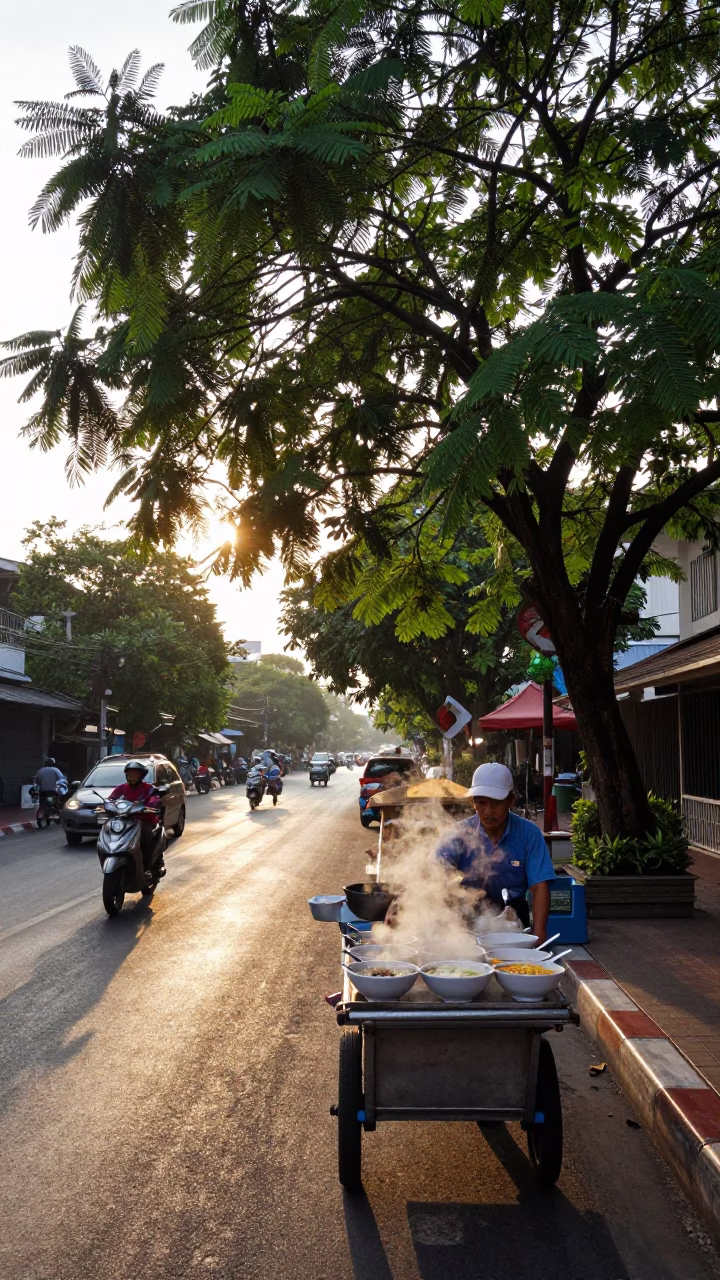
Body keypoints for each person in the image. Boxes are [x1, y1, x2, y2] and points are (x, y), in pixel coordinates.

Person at [437, 762, 554, 942]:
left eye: (497, 803)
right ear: (472, 802)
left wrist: (539, 935)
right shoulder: (457, 833)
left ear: (511, 801)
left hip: (513, 916)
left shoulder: (529, 834)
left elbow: (539, 886)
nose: (489, 811)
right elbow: (434, 876)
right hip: (466, 914)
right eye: (482, 803)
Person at [109, 760, 164, 872]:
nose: (131, 777)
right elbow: (111, 799)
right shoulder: (122, 787)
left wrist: (148, 805)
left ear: (141, 776)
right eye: (129, 774)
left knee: (147, 841)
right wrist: (107, 805)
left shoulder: (148, 788)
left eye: (134, 774)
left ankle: (151, 865)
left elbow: (155, 798)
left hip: (146, 821)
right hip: (127, 821)